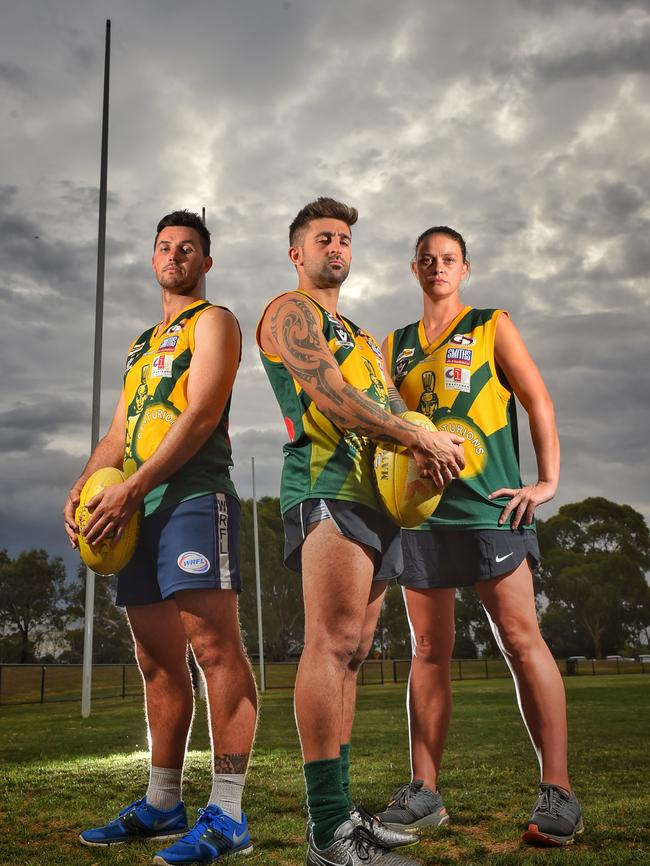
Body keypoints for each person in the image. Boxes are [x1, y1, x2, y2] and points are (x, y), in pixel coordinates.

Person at [256, 198, 466, 866]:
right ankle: (325, 831)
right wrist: (408, 431)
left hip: (377, 499)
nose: (337, 248)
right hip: (325, 486)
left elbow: (396, 411)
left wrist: (438, 444)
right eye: (324, 238)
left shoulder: (363, 334)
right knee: (332, 642)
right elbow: (330, 396)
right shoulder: (291, 313)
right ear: (298, 253)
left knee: (355, 653)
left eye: (345, 238)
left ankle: (344, 813)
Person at [376, 226, 582, 846]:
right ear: (414, 269)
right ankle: (426, 792)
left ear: (465, 268)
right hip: (423, 517)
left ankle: (559, 791)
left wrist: (546, 482)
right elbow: (387, 425)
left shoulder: (492, 325)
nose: (438, 267)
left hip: (492, 511)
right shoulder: (395, 344)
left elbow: (537, 399)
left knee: (521, 641)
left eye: (449, 259)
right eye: (427, 260)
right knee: (428, 651)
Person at [64, 210, 258, 865]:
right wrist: (86, 483)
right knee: (156, 661)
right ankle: (163, 804)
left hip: (193, 495)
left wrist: (132, 485)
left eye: (189, 248)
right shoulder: (142, 344)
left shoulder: (216, 322)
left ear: (206, 262)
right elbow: (118, 431)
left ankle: (229, 813)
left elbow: (201, 412)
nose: (176, 256)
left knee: (215, 650)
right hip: (136, 508)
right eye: (165, 248)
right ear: (153, 261)